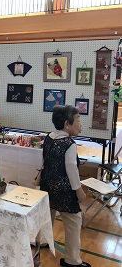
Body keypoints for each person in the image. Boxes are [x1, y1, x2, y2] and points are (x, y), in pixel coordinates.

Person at [40, 105, 90, 267]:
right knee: (73, 223)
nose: (80, 125)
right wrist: (79, 191)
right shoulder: (69, 143)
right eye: (78, 121)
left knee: (46, 217)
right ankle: (73, 260)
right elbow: (72, 170)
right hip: (64, 190)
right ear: (67, 124)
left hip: (47, 184)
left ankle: (41, 242)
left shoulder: (49, 137)